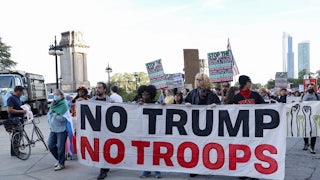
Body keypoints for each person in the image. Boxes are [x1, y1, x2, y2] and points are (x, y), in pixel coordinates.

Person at [185, 73, 220, 178]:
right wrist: (185, 104)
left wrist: (216, 105)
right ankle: (194, 168)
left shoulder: (212, 94)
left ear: (205, 80)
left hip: (209, 124)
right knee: (195, 147)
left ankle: (206, 167)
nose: (198, 81)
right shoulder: (192, 93)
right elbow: (183, 102)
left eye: (200, 79)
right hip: (195, 124)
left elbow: (221, 106)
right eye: (197, 79)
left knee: (206, 146)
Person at [138, 85, 162, 179]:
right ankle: (146, 170)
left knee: (156, 151)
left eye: (146, 94)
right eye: (143, 94)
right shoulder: (139, 103)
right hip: (143, 131)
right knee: (145, 152)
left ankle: (157, 170)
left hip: (155, 131)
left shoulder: (156, 103)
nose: (144, 96)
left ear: (151, 95)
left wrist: (162, 105)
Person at [93, 82, 112, 180]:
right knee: (99, 149)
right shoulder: (92, 100)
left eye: (99, 88)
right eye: (97, 88)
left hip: (107, 130)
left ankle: (103, 170)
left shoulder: (110, 101)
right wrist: (79, 102)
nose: (97, 89)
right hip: (96, 130)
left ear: (104, 89)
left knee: (105, 149)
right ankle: (104, 168)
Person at [48, 89, 69, 171]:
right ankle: (60, 159)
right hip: (53, 129)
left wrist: (54, 114)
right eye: (54, 94)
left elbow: (63, 119)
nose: (55, 96)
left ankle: (61, 163)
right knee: (50, 145)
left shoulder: (64, 105)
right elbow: (50, 113)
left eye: (57, 94)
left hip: (61, 129)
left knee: (60, 147)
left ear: (61, 95)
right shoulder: (53, 104)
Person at [7, 86, 27, 156]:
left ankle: (16, 151)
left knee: (20, 135)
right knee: (16, 135)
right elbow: (9, 110)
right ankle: (14, 152)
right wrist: (21, 111)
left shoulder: (18, 99)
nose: (22, 93)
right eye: (22, 92)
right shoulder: (11, 98)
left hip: (20, 119)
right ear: (18, 91)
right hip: (14, 120)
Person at [301, 83, 319, 154]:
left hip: (315, 116)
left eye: (312, 87)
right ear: (307, 88)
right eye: (310, 87)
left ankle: (312, 147)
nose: (311, 88)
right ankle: (306, 143)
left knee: (314, 131)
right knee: (305, 131)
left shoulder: (317, 96)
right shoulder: (303, 95)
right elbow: (300, 103)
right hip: (305, 116)